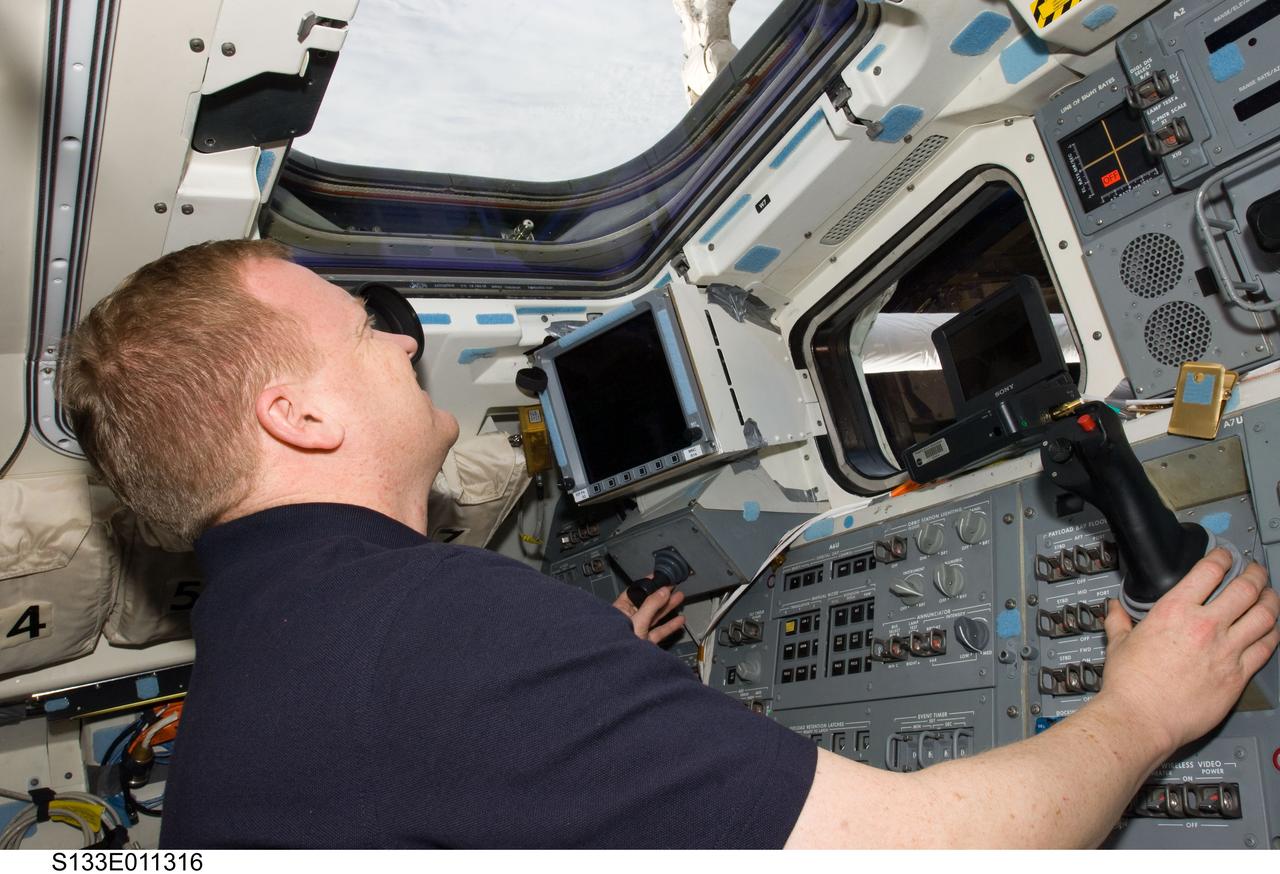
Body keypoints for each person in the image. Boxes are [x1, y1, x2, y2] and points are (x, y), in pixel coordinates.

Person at [57, 239, 1279, 848]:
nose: (403, 340)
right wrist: (1140, 711)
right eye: (360, 328)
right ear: (299, 417)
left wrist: (574, 678)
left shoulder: (242, 691)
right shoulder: (441, 631)